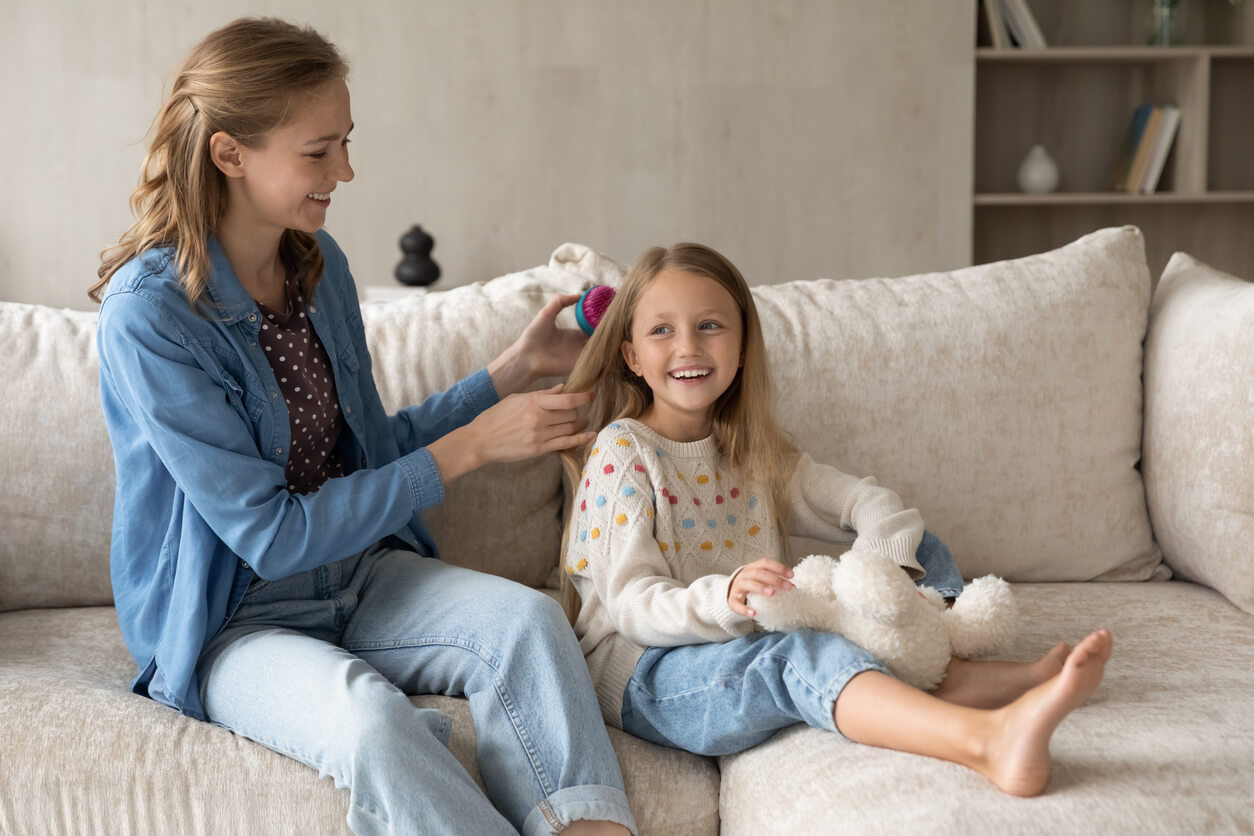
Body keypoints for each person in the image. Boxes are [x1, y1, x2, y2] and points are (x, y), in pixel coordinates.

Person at [89, 17, 636, 836]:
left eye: (345, 142)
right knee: (372, 724)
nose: (345, 170)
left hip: (359, 576)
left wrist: (508, 375)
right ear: (229, 153)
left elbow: (373, 451)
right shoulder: (152, 317)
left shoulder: (318, 265)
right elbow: (269, 537)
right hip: (233, 620)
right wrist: (472, 448)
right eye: (318, 151)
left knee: (527, 623)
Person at [557, 242, 1114, 798]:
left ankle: (945, 662)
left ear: (745, 345)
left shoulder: (756, 453)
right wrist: (722, 596)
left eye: (709, 325)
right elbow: (632, 604)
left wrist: (883, 581)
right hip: (650, 672)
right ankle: (984, 738)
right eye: (662, 331)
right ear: (630, 356)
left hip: (754, 627)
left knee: (921, 545)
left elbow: (875, 506)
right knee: (796, 657)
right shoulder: (622, 452)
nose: (688, 347)